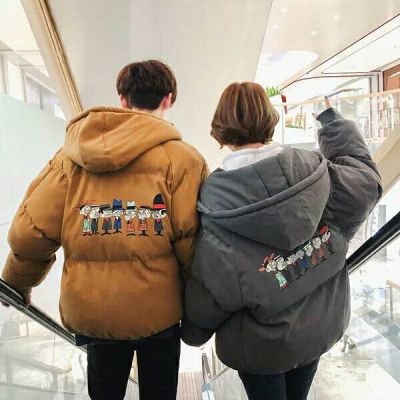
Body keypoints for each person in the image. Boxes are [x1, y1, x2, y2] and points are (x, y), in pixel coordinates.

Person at [1, 60, 208, 400]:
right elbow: (193, 245)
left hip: (94, 312)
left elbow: (31, 233)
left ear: (122, 99)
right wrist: (199, 307)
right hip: (159, 313)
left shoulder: (71, 157)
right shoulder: (184, 160)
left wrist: (17, 283)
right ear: (169, 99)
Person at [181, 82, 382, 400]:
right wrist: (333, 123)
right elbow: (366, 182)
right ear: (270, 119)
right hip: (318, 326)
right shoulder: (317, 175)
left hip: (260, 348)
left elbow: (214, 289)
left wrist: (193, 332)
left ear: (220, 130)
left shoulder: (216, 208)